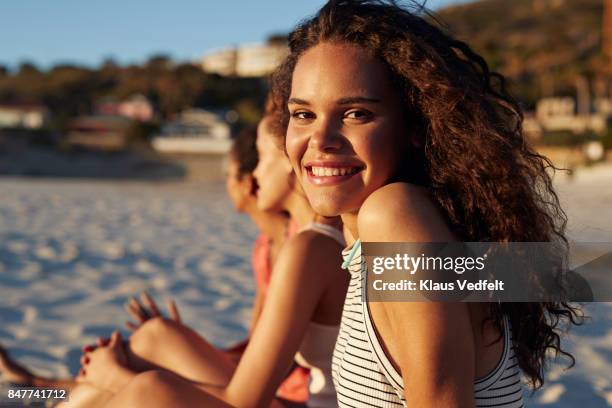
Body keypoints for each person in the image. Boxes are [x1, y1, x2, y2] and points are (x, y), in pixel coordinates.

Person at [267, 0, 583, 406]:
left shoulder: (394, 216)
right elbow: (566, 272)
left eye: (356, 113)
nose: (320, 139)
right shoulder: (427, 227)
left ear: (416, 126)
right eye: (303, 114)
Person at [0, 125, 308, 404]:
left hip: (279, 398)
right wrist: (188, 342)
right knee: (151, 342)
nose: (238, 181)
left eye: (228, 174)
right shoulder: (266, 247)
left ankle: (39, 385)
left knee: (141, 359)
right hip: (263, 386)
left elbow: (261, 380)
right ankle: (38, 386)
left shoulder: (303, 250)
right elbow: (257, 348)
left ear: (246, 183)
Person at [60, 112, 349, 407]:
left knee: (147, 386)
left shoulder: (312, 247)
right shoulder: (308, 241)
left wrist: (115, 376)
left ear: (290, 157)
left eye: (262, 157)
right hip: (288, 394)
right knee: (156, 337)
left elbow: (246, 400)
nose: (256, 174)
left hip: (289, 398)